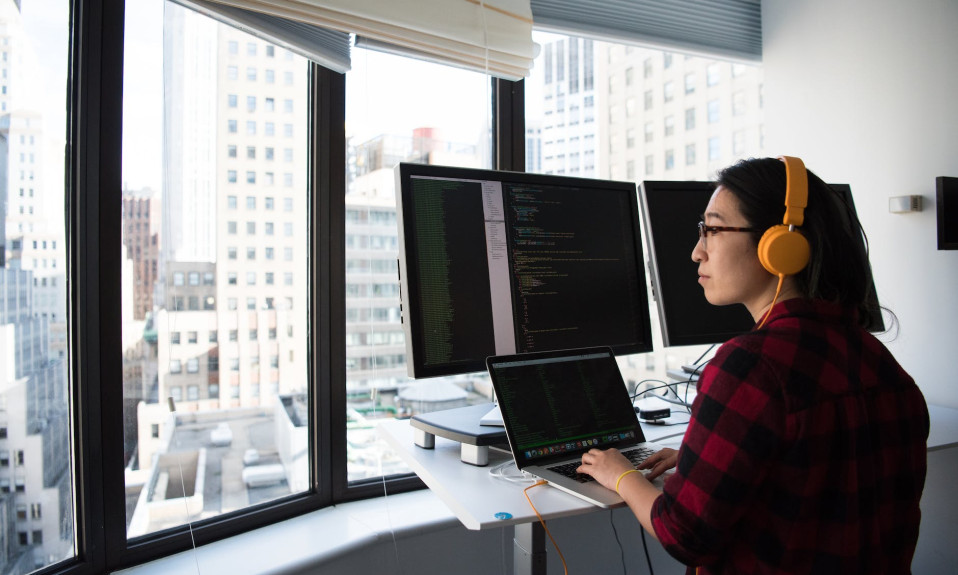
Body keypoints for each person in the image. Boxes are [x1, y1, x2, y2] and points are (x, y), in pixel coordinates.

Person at [577, 157, 929, 574]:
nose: (696, 251)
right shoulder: (880, 360)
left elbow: (684, 534)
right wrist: (699, 460)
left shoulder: (750, 366)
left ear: (780, 245)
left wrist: (621, 474)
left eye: (713, 229)